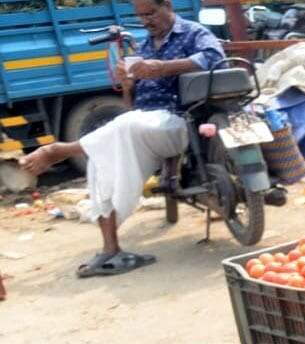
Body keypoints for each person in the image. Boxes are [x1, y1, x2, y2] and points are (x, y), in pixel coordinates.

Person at [19, 0, 224, 278]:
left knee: (124, 126)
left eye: (150, 13)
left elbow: (213, 56)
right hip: (144, 126)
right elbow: (132, 107)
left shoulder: (192, 32)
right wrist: (128, 85)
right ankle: (111, 249)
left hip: (181, 121)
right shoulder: (145, 47)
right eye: (140, 16)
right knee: (101, 160)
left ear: (167, 6)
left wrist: (163, 67)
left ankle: (60, 150)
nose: (145, 21)